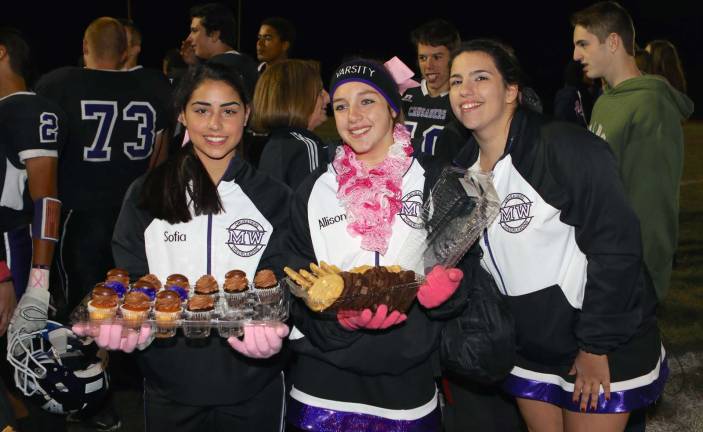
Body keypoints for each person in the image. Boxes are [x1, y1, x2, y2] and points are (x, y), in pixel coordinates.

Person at [448, 38, 667, 432]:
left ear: (511, 89)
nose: (466, 90)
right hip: (530, 349)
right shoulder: (462, 171)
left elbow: (616, 247)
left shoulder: (564, 147)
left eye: (481, 78)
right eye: (456, 81)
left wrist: (595, 346)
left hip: (598, 343)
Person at [74, 62, 292, 431]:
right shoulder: (147, 193)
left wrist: (280, 324)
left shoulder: (274, 196)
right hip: (168, 384)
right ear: (182, 115)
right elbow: (131, 278)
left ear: (247, 115)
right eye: (201, 110)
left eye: (229, 110)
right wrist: (126, 322)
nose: (215, 124)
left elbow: (284, 279)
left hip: (254, 383)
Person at [285, 58, 466, 432]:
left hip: (407, 382)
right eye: (341, 105)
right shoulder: (312, 189)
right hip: (322, 381)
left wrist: (447, 295)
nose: (353, 116)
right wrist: (332, 318)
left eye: (367, 100)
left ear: (393, 108)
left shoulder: (435, 179)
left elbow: (469, 269)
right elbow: (294, 281)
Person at [571, 2, 693, 303]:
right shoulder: (604, 101)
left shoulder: (651, 106)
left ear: (613, 42)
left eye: (583, 44)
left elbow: (652, 208)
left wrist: (645, 286)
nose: (575, 55)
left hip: (629, 279)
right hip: (599, 261)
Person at [1, 26, 66, 432]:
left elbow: (46, 201)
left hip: (10, 245)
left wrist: (38, 284)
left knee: (24, 357)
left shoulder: (23, 109)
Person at [254, 59, 329, 188]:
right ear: (298, 98)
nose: (328, 97)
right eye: (319, 92)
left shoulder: (275, 143)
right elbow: (315, 206)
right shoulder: (305, 147)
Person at [402, 19, 464, 160]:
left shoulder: (463, 99)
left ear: (454, 58)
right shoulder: (406, 94)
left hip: (442, 180)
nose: (428, 65)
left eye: (437, 57)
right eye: (423, 57)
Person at [186, 3, 258, 99]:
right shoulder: (249, 64)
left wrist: (195, 70)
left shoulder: (214, 70)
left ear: (214, 35)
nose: (189, 38)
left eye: (194, 31)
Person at [553, 60, 596, 127]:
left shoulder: (585, 94)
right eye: (587, 71)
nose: (592, 74)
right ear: (579, 73)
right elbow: (563, 125)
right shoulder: (567, 96)